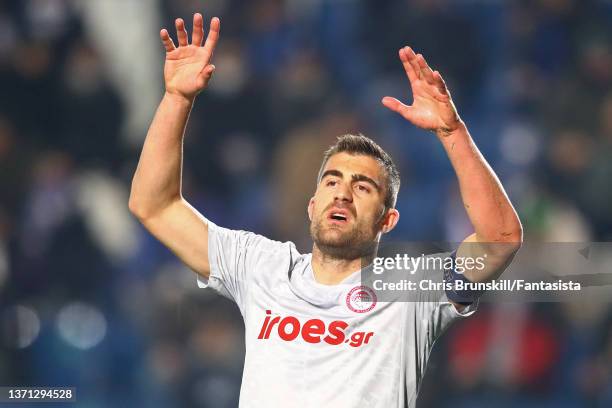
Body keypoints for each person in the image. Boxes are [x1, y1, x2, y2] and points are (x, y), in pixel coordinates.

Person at [129, 13, 523, 408]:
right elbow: (154, 206)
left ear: (388, 220)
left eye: (362, 186)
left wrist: (452, 133)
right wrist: (177, 99)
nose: (343, 194)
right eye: (332, 181)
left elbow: (500, 240)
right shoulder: (262, 267)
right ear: (312, 204)